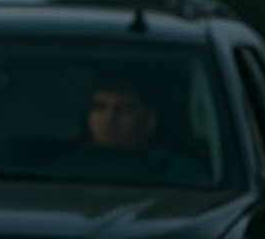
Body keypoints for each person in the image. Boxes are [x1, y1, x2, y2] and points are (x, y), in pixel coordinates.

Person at [49, 74, 209, 186]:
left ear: (149, 120)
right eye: (99, 107)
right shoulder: (64, 169)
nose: (109, 118)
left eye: (124, 109)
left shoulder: (177, 171)